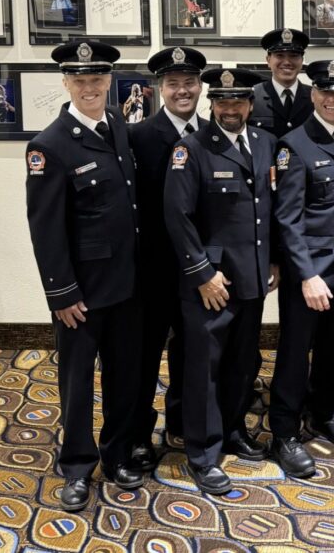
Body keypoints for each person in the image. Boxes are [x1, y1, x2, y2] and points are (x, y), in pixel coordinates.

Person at [25, 40, 144, 510]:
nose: (90, 87)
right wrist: (61, 292)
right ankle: (76, 464)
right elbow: (45, 228)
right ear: (66, 83)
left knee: (125, 376)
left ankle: (116, 454)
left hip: (126, 285)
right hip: (81, 293)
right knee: (77, 382)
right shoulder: (49, 145)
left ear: (109, 81)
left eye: (97, 79)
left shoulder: (116, 123)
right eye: (80, 80)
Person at [163, 68, 280, 495]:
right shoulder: (190, 149)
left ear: (250, 104)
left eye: (239, 102)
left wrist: (276, 262)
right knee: (203, 370)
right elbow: (177, 218)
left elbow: (269, 211)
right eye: (223, 102)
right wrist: (202, 274)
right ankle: (203, 451)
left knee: (242, 363)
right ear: (212, 105)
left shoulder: (266, 143)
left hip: (252, 279)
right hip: (211, 284)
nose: (231, 110)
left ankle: (232, 431)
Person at [270, 59, 334, 476]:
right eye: (324, 92)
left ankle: (326, 410)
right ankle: (285, 432)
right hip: (309, 274)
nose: (332, 99)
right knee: (294, 355)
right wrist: (307, 275)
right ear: (313, 96)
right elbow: (288, 219)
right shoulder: (294, 144)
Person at [127, 46, 209, 472]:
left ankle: (180, 421)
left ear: (200, 86)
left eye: (189, 82)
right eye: (173, 83)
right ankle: (140, 434)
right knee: (144, 357)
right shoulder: (137, 138)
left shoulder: (212, 134)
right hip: (154, 271)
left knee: (192, 353)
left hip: (199, 274)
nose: (183, 90)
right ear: (160, 88)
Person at [249, 28, 313, 139]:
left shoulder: (315, 97)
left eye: (293, 56)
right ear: (268, 60)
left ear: (302, 60)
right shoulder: (252, 97)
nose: (287, 62)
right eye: (279, 55)